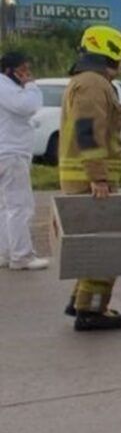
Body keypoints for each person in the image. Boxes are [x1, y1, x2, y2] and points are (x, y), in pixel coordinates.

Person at [60, 26, 121, 330]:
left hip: (85, 179)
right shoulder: (93, 84)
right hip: (90, 182)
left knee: (94, 242)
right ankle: (92, 310)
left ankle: (79, 300)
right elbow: (88, 132)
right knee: (106, 246)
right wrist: (98, 178)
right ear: (109, 54)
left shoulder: (89, 81)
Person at [0, 51, 50, 271]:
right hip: (11, 153)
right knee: (20, 205)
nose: (27, 74)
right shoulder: (5, 88)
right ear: (9, 71)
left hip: (7, 152)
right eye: (23, 70)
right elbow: (27, 107)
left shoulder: (7, 88)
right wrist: (31, 86)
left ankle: (6, 252)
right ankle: (22, 255)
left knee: (6, 206)